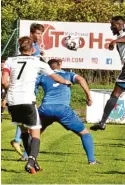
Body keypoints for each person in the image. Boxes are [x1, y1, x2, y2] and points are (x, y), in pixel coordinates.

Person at [1, 36, 72, 174]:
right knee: (35, 133)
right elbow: (53, 76)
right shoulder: (37, 61)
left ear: (19, 48)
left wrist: (11, 91)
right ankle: (31, 161)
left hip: (13, 101)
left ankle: (35, 164)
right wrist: (65, 82)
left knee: (23, 131)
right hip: (27, 100)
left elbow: (4, 81)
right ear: (33, 49)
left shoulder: (10, 61)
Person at [35, 59, 99, 164]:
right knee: (85, 133)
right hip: (62, 110)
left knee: (35, 134)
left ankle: (27, 156)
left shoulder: (43, 76)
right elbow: (81, 79)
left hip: (45, 109)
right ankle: (92, 160)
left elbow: (33, 86)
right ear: (60, 65)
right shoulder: (68, 74)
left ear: (48, 67)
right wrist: (88, 96)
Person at [11, 23, 46, 161]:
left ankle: (23, 147)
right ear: (31, 33)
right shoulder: (32, 48)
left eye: (41, 33)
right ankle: (19, 142)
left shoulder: (33, 46)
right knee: (30, 118)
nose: (39, 36)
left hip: (26, 86)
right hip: (29, 86)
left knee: (25, 118)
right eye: (37, 33)